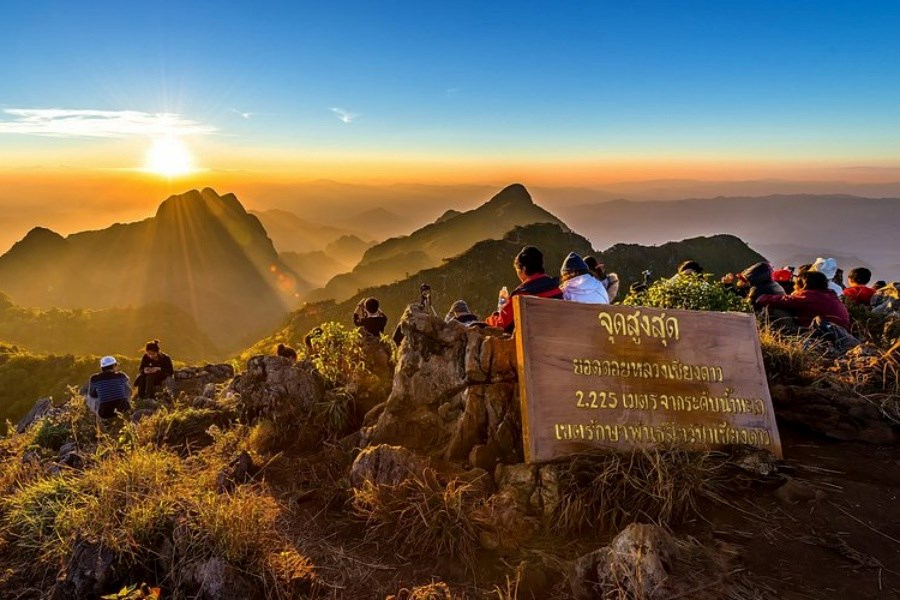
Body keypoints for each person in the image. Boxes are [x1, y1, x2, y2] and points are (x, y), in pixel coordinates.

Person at [485, 245, 562, 332]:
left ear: (524, 269)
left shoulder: (522, 295)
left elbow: (502, 325)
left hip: (531, 342)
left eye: (518, 270)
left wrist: (492, 318)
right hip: (556, 336)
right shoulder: (556, 289)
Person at [756, 270, 851, 330]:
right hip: (840, 333)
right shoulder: (830, 295)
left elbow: (777, 301)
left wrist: (760, 297)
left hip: (822, 334)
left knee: (778, 309)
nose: (794, 286)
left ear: (803, 284)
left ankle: (779, 334)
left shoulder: (808, 296)